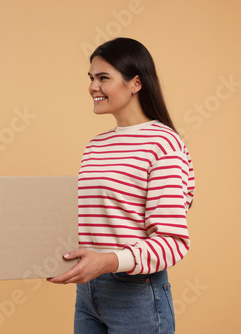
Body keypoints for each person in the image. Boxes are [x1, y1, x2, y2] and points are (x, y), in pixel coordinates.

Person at [48, 37, 195, 333]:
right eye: (91, 78)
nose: (92, 87)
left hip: (137, 295)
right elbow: (92, 222)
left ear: (136, 83)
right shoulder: (95, 146)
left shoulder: (163, 143)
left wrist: (107, 262)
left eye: (103, 77)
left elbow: (172, 243)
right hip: (89, 293)